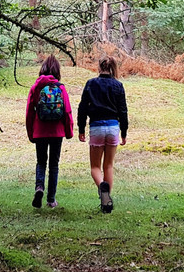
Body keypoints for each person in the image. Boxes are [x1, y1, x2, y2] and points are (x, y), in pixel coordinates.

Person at [77, 56, 127, 213]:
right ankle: (107, 203)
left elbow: (82, 108)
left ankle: (101, 186)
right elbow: (123, 111)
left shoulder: (91, 84)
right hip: (113, 127)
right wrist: (124, 132)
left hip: (96, 127)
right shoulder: (118, 85)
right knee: (109, 166)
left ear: (99, 68)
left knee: (95, 166)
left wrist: (81, 128)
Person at [25, 54, 73, 209]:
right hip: (57, 132)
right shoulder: (60, 88)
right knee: (54, 165)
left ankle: (39, 187)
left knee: (41, 162)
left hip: (40, 131)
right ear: (57, 71)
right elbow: (67, 111)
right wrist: (69, 131)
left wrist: (30, 132)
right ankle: (51, 199)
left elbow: (29, 112)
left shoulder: (36, 87)